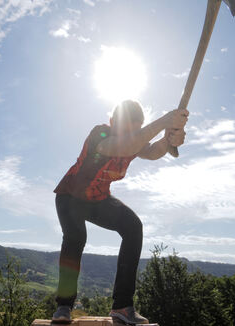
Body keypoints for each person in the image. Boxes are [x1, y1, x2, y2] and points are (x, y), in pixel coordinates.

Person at [51, 100, 188, 324]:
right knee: (75, 238)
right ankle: (64, 306)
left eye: (134, 129)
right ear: (112, 122)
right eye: (125, 129)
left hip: (98, 199)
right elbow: (124, 146)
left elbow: (153, 151)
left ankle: (123, 306)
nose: (131, 134)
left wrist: (169, 138)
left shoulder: (135, 140)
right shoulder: (101, 134)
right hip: (70, 197)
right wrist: (165, 121)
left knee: (133, 227)